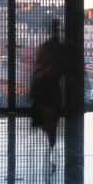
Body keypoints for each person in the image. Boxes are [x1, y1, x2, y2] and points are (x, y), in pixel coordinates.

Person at [30, 20, 71, 148]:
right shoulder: (62, 49)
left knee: (47, 113)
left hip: (44, 88)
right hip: (54, 88)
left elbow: (37, 67)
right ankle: (51, 136)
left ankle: (49, 134)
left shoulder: (44, 47)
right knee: (53, 114)